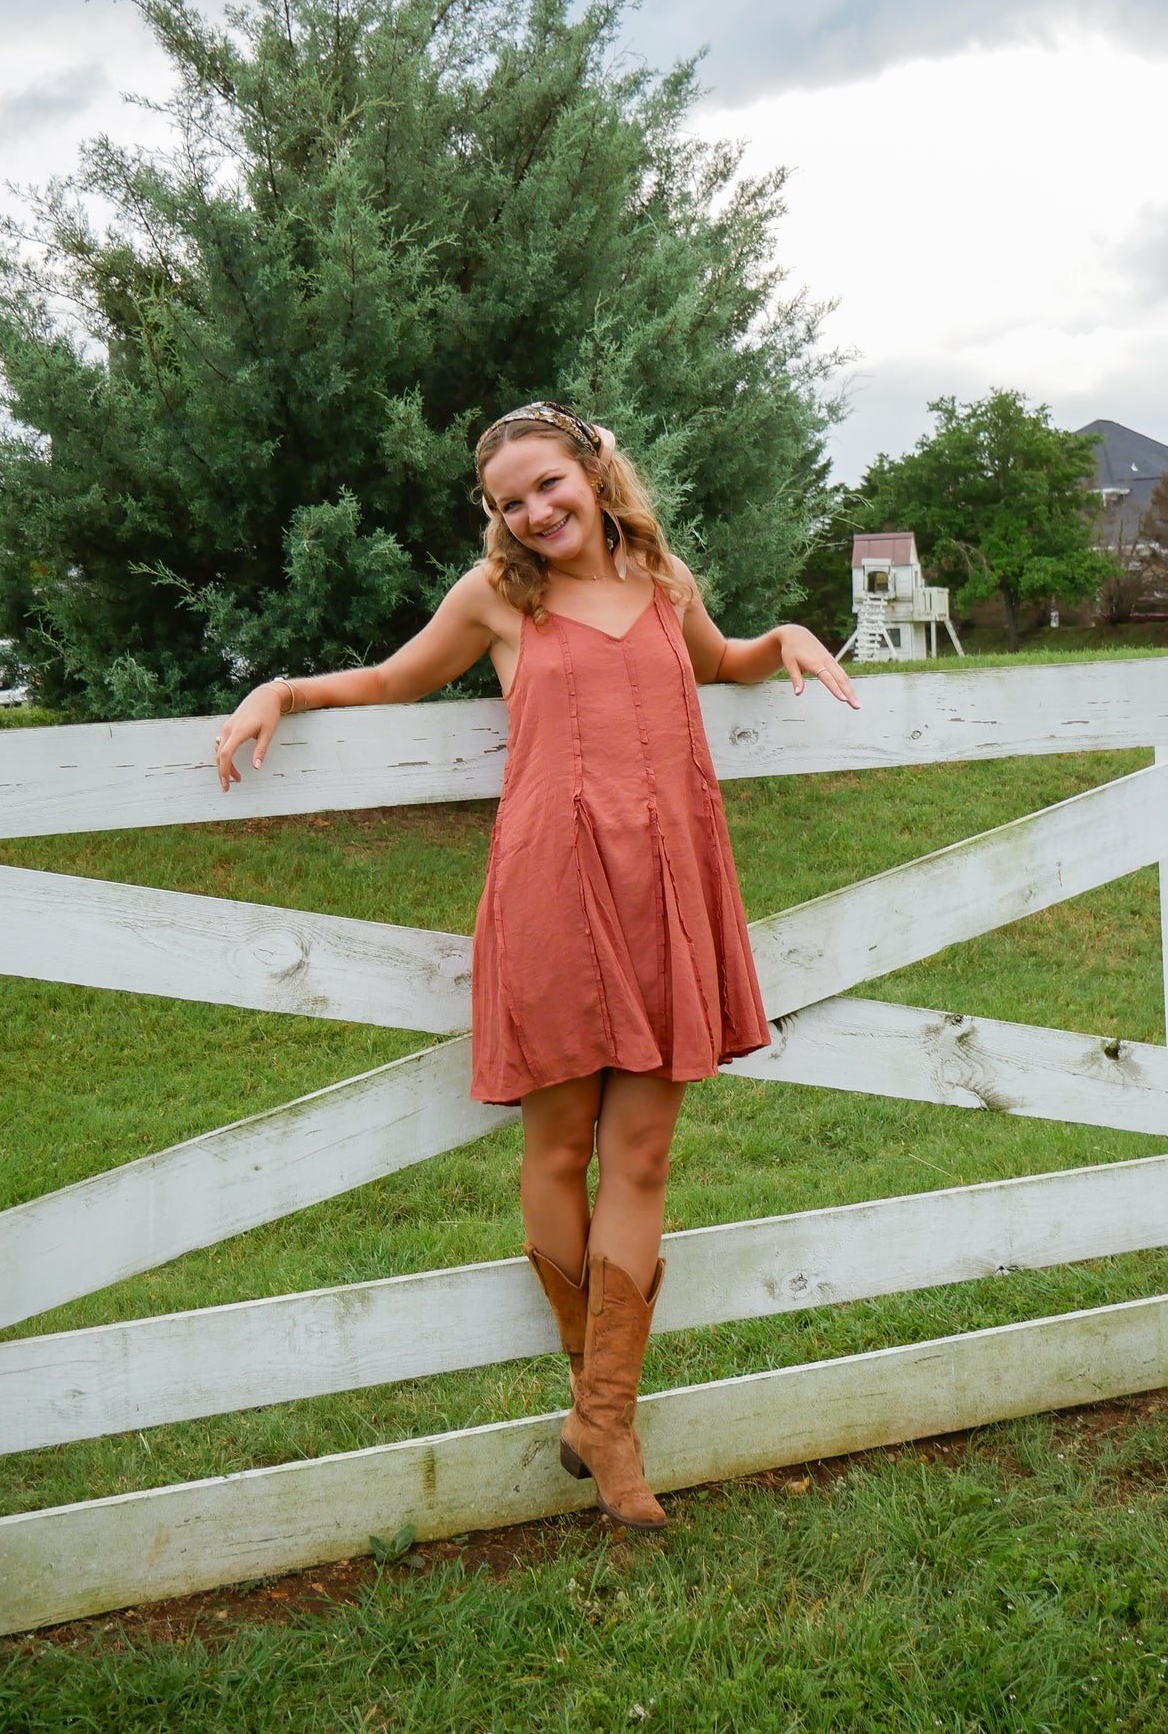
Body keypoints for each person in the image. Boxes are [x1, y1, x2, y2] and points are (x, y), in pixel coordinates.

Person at [214, 401, 858, 1530]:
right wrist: (285, 688)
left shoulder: (665, 580)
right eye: (509, 501)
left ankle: (601, 1418)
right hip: (554, 891)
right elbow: (389, 680)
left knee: (644, 1152)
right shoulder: (496, 599)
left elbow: (720, 663)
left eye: (547, 486)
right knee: (559, 1147)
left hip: (666, 890)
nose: (533, 511)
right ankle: (599, 1408)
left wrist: (786, 640)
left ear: (593, 471)